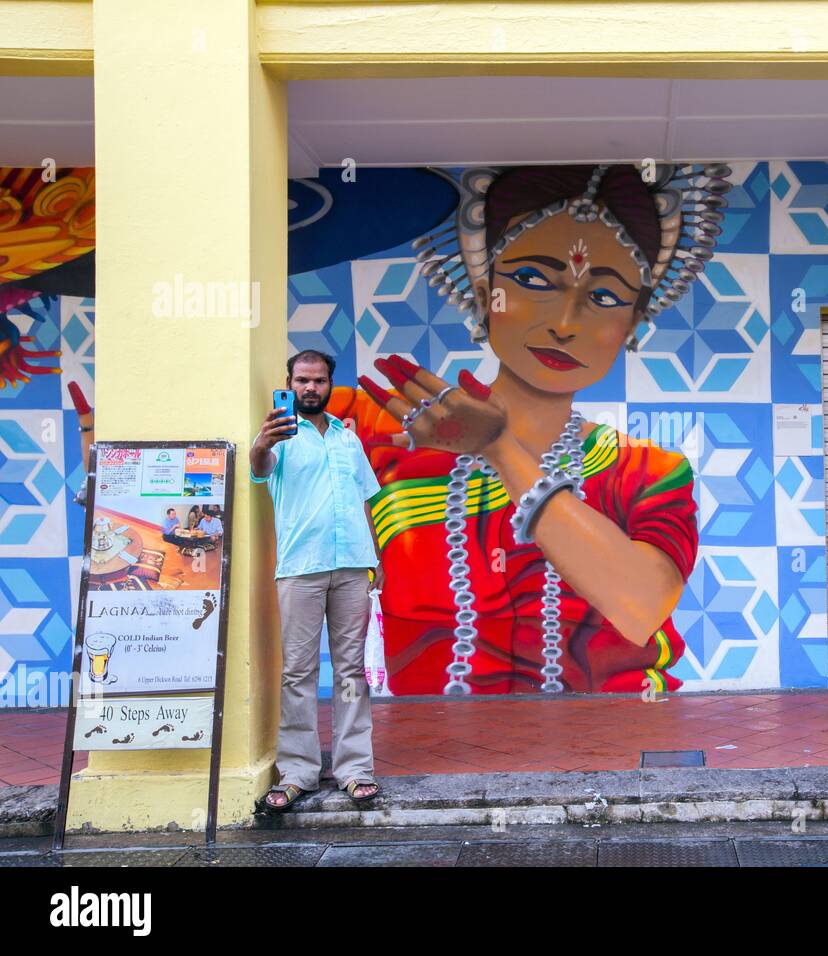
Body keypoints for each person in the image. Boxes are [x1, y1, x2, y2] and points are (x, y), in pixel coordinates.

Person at [332, 162, 727, 695]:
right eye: (533, 280)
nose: (566, 323)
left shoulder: (648, 472)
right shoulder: (379, 431)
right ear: (481, 290)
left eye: (606, 298)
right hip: (435, 747)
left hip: (620, 743)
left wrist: (501, 450)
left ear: (632, 324)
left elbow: (640, 610)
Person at [251, 348, 384, 810]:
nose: (311, 388)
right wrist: (261, 444)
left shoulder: (348, 441)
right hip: (301, 569)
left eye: (319, 381)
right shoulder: (279, 437)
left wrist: (376, 556)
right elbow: (258, 469)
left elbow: (364, 498)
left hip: (352, 568)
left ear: (331, 385)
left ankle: (353, 767)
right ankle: (299, 771)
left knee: (351, 673)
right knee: (298, 674)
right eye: (302, 380)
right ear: (289, 383)